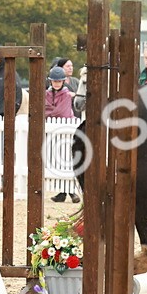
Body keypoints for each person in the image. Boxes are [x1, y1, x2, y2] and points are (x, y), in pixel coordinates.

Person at [44, 66, 80, 203]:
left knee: (67, 161)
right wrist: (51, 111)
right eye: (54, 81)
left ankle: (71, 192)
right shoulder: (46, 93)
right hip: (53, 130)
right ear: (51, 81)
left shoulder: (66, 93)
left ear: (63, 81)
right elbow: (45, 109)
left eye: (59, 81)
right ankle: (63, 193)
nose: (57, 84)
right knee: (56, 161)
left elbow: (61, 112)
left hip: (66, 130)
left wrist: (50, 111)